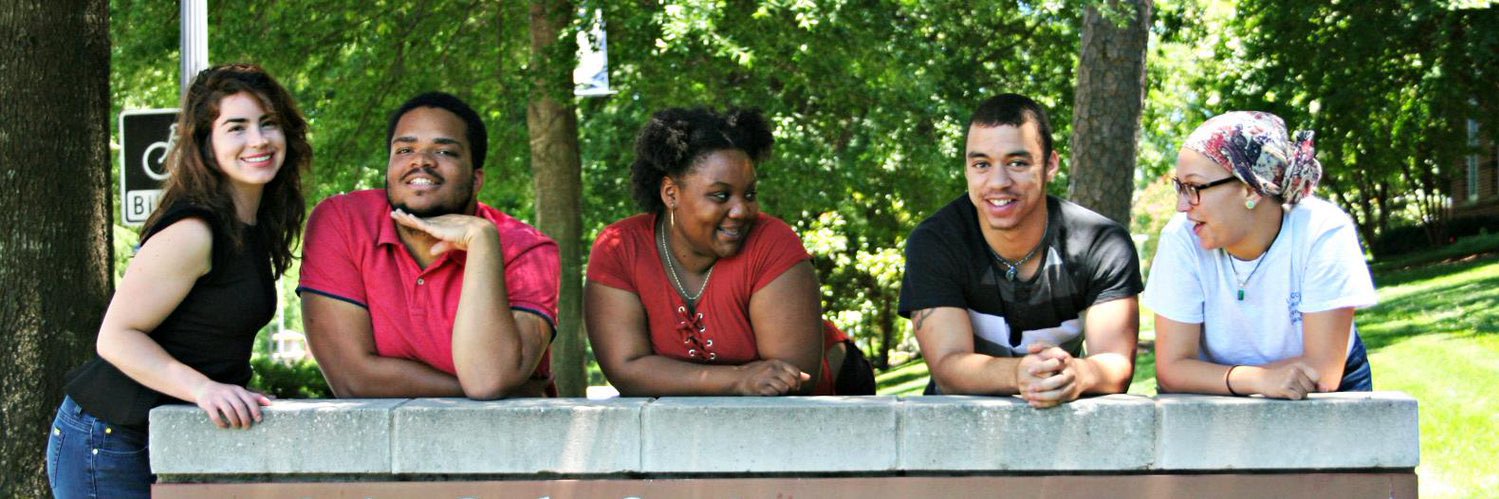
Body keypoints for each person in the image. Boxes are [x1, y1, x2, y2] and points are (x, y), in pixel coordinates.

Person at [47, 63, 311, 498]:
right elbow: (115, 338)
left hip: (155, 436)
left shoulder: (252, 225)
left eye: (269, 123)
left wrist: (234, 388)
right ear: (206, 144)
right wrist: (204, 389)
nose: (258, 140)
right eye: (237, 127)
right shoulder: (194, 231)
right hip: (105, 440)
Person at [585, 107, 875, 396]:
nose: (740, 211)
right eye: (720, 195)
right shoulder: (620, 247)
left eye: (749, 194)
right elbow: (626, 369)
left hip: (832, 403)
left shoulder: (772, 243)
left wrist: (728, 380)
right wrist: (738, 378)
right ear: (671, 194)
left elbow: (787, 379)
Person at [298, 92, 558, 399]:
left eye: (445, 152)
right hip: (386, 442)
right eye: (405, 149)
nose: (420, 161)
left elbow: (489, 378)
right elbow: (352, 379)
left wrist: (482, 241)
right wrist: (481, 392)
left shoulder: (529, 251)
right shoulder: (343, 221)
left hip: (506, 440)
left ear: (476, 180)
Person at [898, 94, 1142, 408]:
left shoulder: (1101, 243)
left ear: (1050, 164)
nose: (998, 182)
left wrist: (1077, 374)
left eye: (1017, 163)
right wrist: (1021, 373)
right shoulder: (936, 242)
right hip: (955, 430)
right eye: (982, 164)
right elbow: (948, 367)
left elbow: (1116, 365)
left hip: (1067, 432)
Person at [1144, 111, 1376, 399]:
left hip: (1322, 394)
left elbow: (1323, 369)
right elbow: (1172, 369)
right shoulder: (1182, 238)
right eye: (1180, 187)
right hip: (1218, 394)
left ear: (1251, 189)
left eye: (1194, 187)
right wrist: (1257, 380)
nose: (1182, 205)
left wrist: (1226, 379)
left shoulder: (1321, 229)